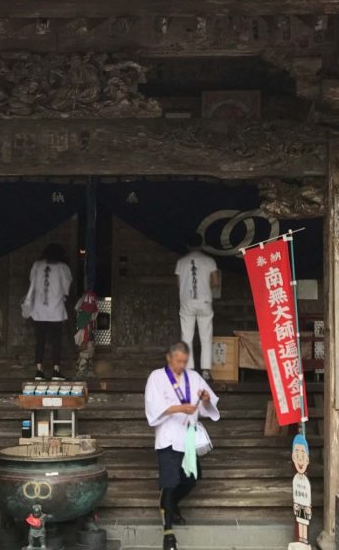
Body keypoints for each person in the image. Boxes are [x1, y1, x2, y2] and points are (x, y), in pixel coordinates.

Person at [144, 341, 220, 550]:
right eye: (178, 361)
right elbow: (153, 407)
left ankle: (170, 505)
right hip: (168, 437)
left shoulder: (194, 377)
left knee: (191, 480)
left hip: (187, 438)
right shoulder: (157, 378)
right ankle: (168, 536)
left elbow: (209, 405)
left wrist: (204, 399)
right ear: (169, 358)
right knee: (169, 483)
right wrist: (179, 407)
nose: (181, 365)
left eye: (184, 361)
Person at [23, 243, 72, 380]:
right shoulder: (63, 267)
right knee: (56, 341)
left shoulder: (37, 265)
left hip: (39, 310)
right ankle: (56, 370)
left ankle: (39, 370)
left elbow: (31, 281)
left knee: (40, 340)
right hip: (56, 310)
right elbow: (67, 288)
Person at [175, 232, 220, 381]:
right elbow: (215, 282)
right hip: (205, 301)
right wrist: (205, 287)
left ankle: (189, 370)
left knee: (186, 336)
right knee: (206, 336)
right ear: (201, 245)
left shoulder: (181, 262)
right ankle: (206, 371)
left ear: (187, 246)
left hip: (187, 301)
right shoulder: (209, 261)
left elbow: (178, 284)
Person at [290, 435, 313, 550]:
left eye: (303, 455)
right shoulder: (296, 479)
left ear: (307, 460)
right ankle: (301, 539)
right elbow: (295, 493)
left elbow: (307, 495)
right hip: (299, 504)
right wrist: (295, 505)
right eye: (297, 455)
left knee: (304, 522)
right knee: (300, 521)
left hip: (305, 505)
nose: (300, 459)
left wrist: (308, 506)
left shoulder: (306, 481)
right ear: (293, 457)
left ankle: (304, 540)